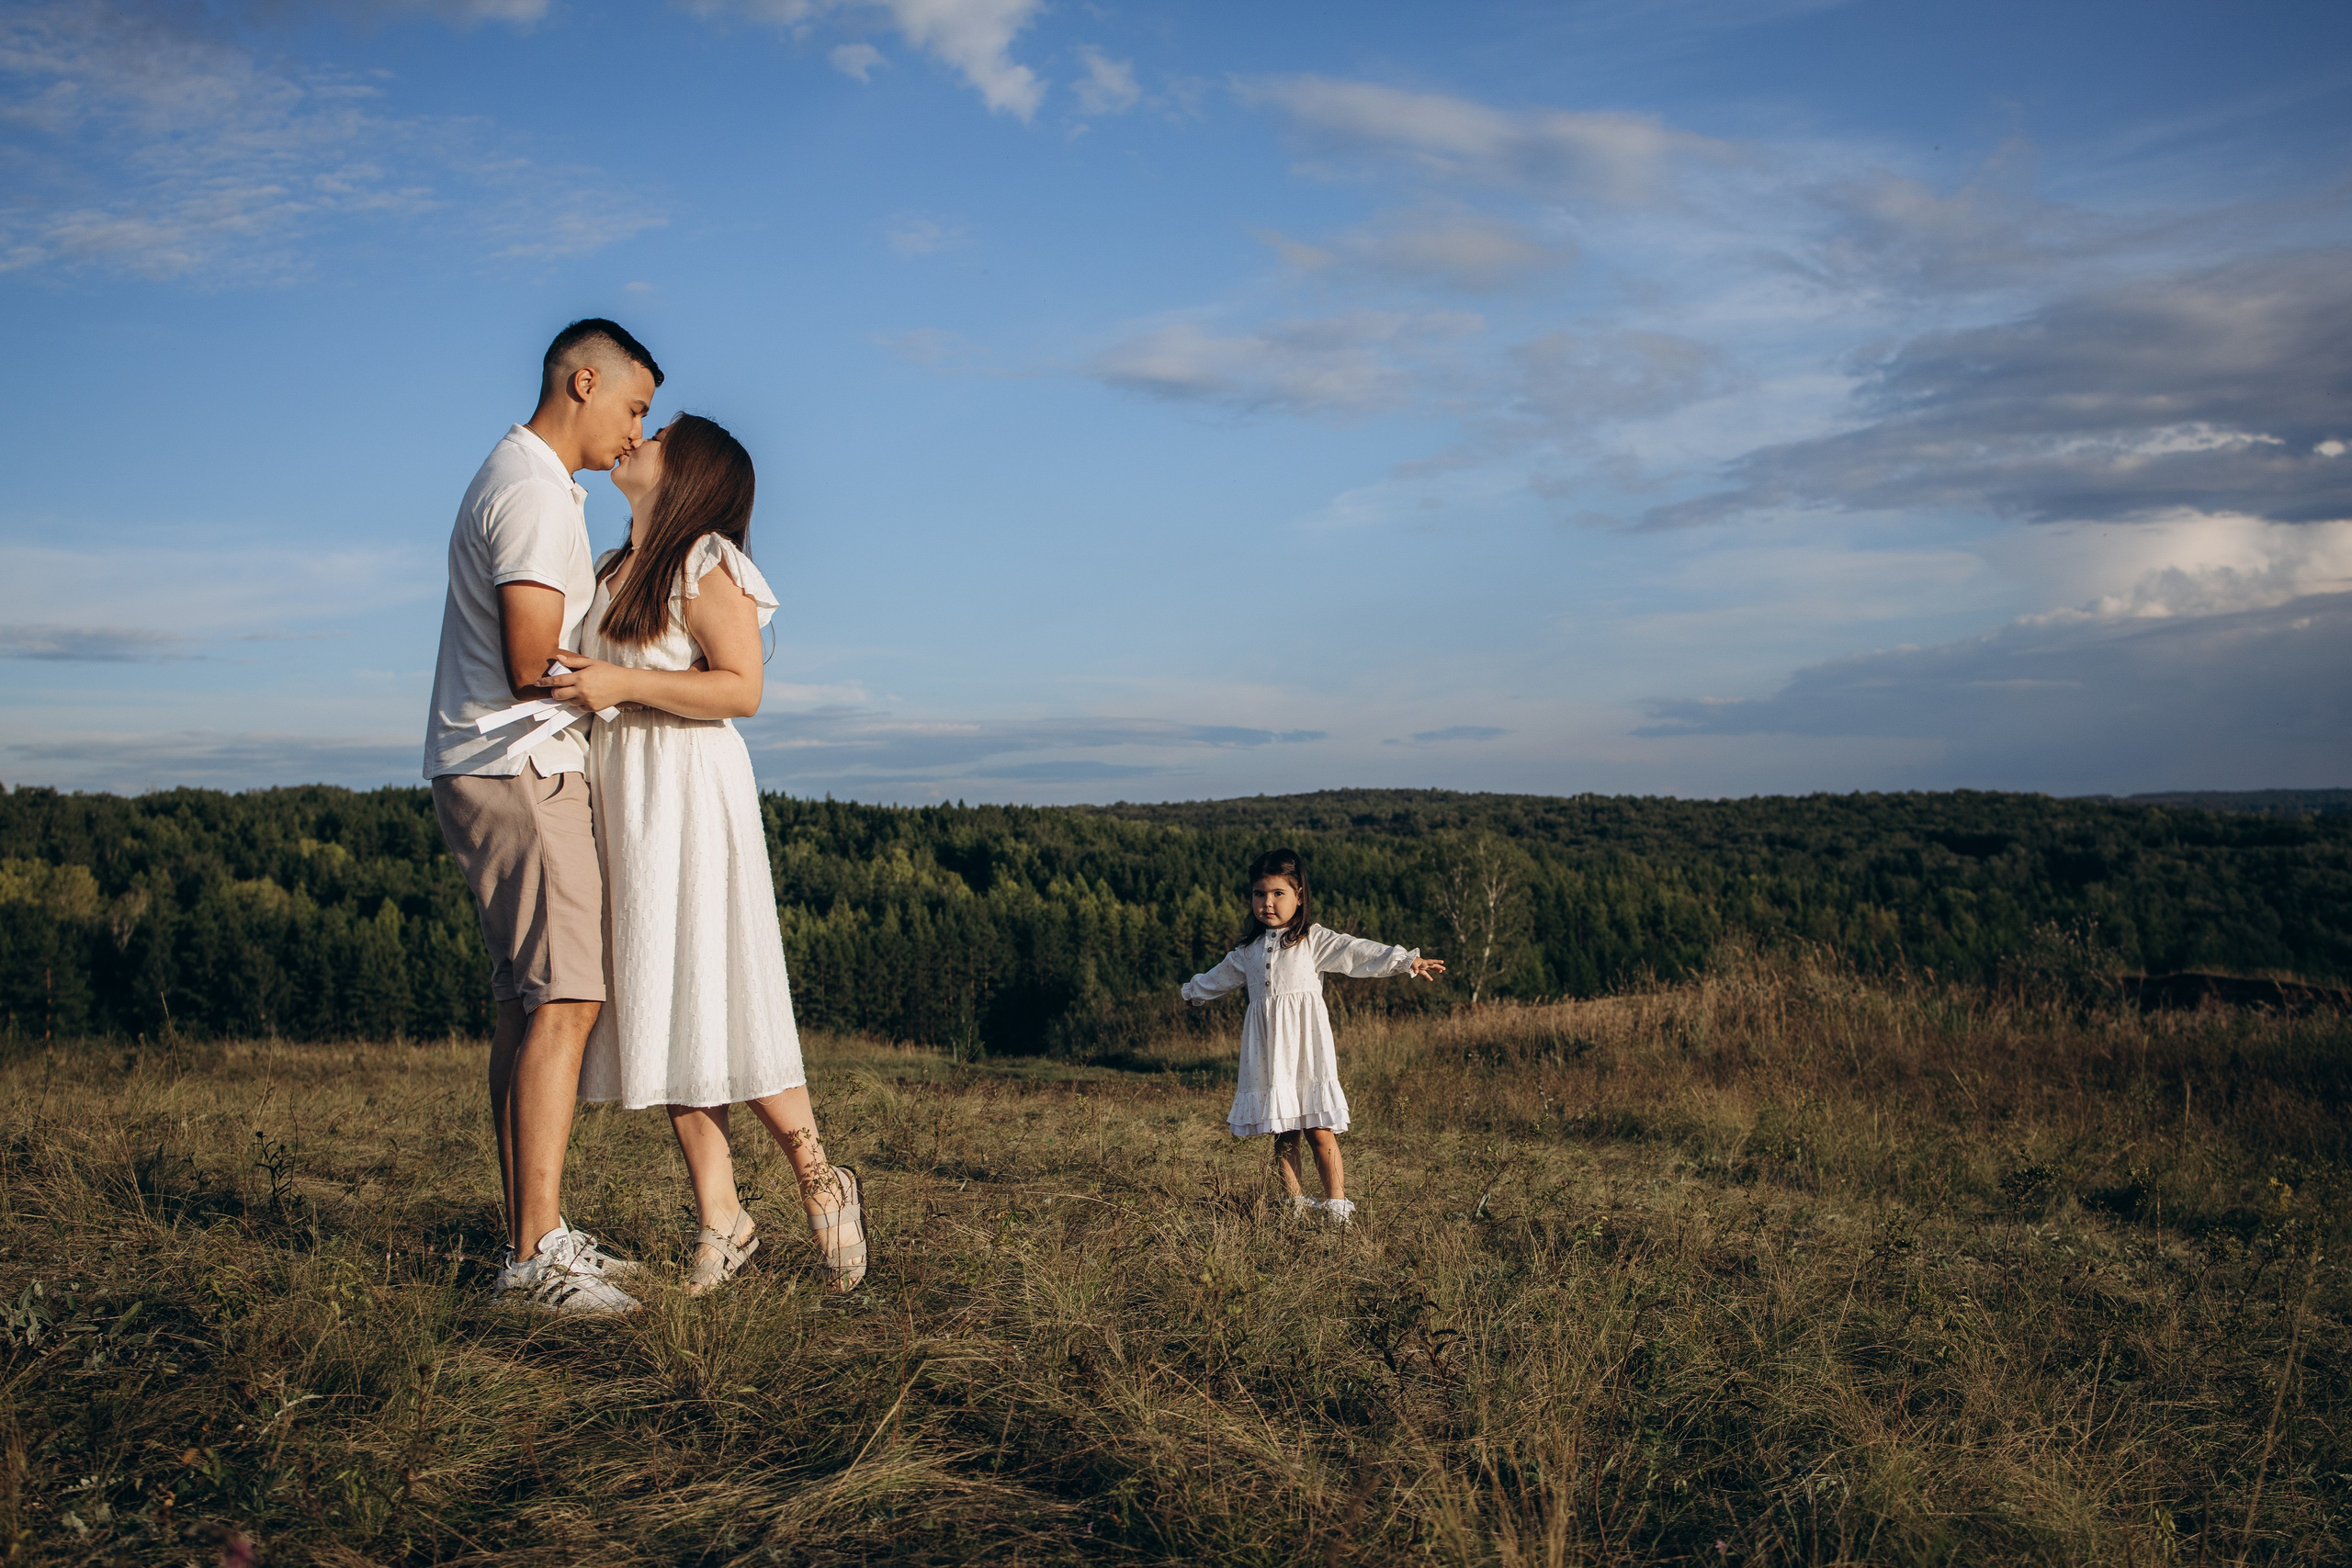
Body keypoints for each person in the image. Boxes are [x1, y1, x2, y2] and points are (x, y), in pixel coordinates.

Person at [540, 413, 867, 1294]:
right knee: (668, 1002)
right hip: (627, 795)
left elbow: (742, 687)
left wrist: (617, 683)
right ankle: (722, 1217)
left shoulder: (704, 559)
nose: (637, 438)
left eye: (661, 435)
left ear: (691, 472)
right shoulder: (610, 571)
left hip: (688, 790)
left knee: (722, 992)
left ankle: (818, 1179)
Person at [423, 318, 662, 1314]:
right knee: (565, 998)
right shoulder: (528, 490)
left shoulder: (526, 480)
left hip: (488, 762)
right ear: (583, 378)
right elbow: (533, 662)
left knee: (528, 1005)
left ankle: (538, 1232)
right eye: (634, 407)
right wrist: (639, 684)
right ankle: (534, 1257)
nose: (635, 432)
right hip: (520, 765)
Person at [1180, 847, 1443, 1224]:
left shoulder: (1312, 940)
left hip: (1306, 1047)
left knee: (1319, 1130)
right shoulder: (1248, 951)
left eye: (1278, 894)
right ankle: (1295, 1208)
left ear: (1299, 894)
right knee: (1283, 1130)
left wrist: (1406, 961)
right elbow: (1217, 977)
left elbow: (1357, 952)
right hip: (1270, 1052)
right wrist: (1193, 993)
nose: (1267, 903)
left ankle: (1337, 1207)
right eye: (1259, 894)